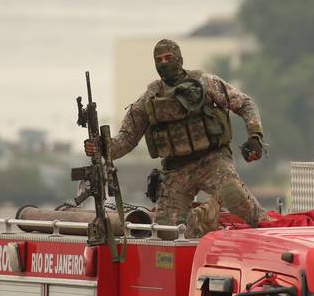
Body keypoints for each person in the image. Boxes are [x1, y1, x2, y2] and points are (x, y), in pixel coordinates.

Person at [86, 38, 267, 236]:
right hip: (176, 171)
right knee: (166, 232)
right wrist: (102, 148)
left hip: (213, 161)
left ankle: (272, 232)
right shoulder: (149, 100)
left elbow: (244, 103)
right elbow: (126, 139)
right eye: (159, 59)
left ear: (179, 59)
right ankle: (204, 219)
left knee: (238, 200)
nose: (164, 63)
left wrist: (255, 136)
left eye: (169, 58)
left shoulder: (205, 83)